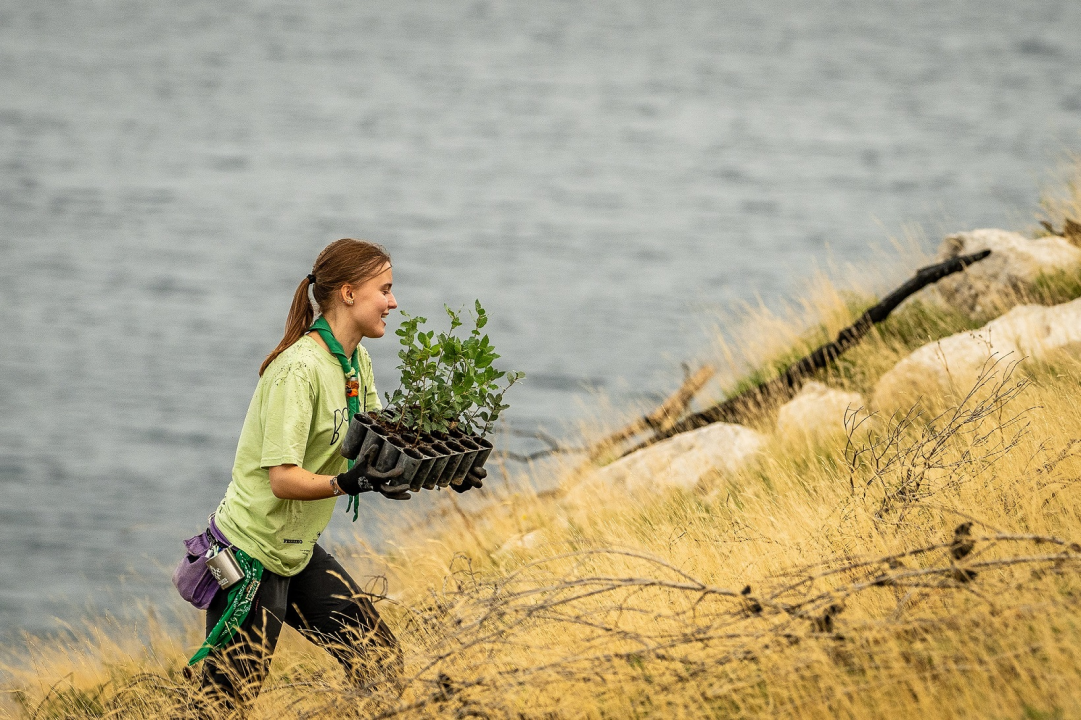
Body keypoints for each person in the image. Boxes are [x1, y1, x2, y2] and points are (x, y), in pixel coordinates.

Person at [192, 238, 485, 709]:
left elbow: (381, 447)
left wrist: (447, 469)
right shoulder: (298, 371)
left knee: (379, 659)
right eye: (385, 290)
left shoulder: (355, 362)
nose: (394, 302)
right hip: (250, 556)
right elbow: (282, 479)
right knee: (222, 705)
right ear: (348, 293)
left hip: (296, 551)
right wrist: (342, 484)